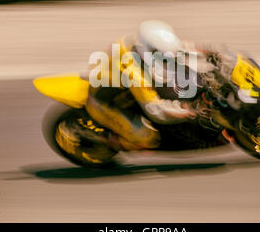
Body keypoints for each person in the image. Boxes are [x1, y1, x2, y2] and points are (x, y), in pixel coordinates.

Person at [85, 20, 203, 151]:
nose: (167, 60)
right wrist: (187, 111)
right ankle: (111, 142)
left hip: (117, 83)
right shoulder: (135, 76)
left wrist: (210, 52)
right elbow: (157, 112)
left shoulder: (137, 42)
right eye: (163, 58)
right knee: (149, 138)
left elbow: (179, 48)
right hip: (102, 103)